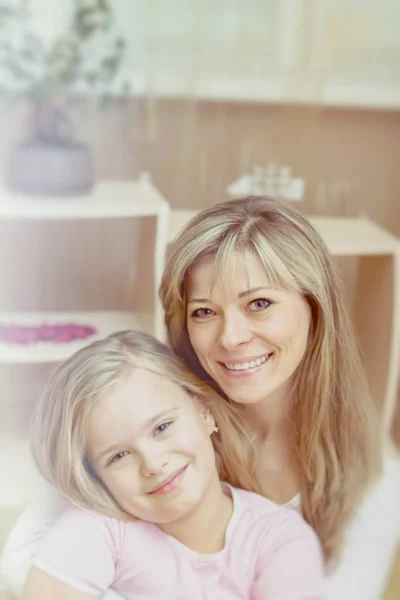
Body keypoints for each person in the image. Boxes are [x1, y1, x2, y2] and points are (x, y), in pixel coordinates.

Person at [1, 196, 399, 599]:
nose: (230, 337)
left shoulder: (374, 477)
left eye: (259, 304)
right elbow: (22, 557)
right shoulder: (148, 402)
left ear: (315, 307)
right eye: (204, 312)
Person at [20, 329, 325, 600]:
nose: (152, 463)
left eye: (162, 427)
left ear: (204, 411)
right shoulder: (103, 529)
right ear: (96, 476)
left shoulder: (279, 540)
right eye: (119, 456)